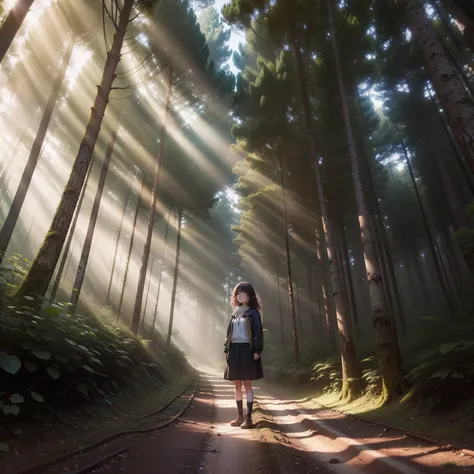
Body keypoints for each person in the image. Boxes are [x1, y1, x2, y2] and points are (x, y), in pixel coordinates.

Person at [224, 282, 264, 429]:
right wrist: (226, 349)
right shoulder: (234, 312)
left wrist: (257, 351)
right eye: (239, 294)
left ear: (250, 296)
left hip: (247, 350)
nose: (241, 296)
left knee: (247, 384)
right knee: (237, 385)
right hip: (234, 350)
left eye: (244, 294)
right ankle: (239, 416)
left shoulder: (253, 313)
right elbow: (229, 333)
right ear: (236, 296)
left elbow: (257, 333)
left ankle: (249, 418)